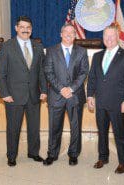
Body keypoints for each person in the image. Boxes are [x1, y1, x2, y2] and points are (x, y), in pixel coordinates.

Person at [0, 16, 47, 167]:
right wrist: (4, 93)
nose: (25, 29)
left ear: (31, 29)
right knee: (13, 128)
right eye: (22, 27)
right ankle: (11, 156)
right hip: (13, 96)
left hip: (34, 95)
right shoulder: (6, 46)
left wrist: (44, 90)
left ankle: (33, 152)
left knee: (34, 127)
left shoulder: (38, 46)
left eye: (28, 27)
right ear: (16, 28)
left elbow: (41, 72)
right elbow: (1, 73)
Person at [87, 25, 124, 174]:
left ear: (117, 37)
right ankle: (103, 157)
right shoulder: (97, 56)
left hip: (119, 103)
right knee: (101, 132)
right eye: (106, 36)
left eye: (112, 36)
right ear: (103, 38)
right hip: (100, 102)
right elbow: (92, 78)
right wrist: (90, 95)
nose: (108, 39)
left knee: (120, 134)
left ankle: (123, 162)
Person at [43, 23, 89, 166]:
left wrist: (71, 89)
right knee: (54, 126)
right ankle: (52, 153)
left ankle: (73, 154)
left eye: (72, 32)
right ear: (61, 34)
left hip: (75, 96)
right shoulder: (51, 51)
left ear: (75, 35)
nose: (69, 35)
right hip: (56, 95)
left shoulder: (81, 51)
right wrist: (62, 89)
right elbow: (48, 72)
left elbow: (83, 73)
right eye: (66, 32)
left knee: (75, 126)